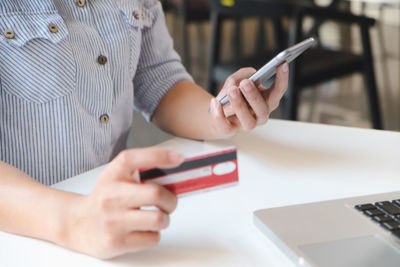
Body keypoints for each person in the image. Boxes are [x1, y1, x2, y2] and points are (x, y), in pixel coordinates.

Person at [0, 0, 289, 259]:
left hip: (110, 227)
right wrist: (73, 220)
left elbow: (159, 79)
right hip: (22, 237)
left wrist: (220, 113)